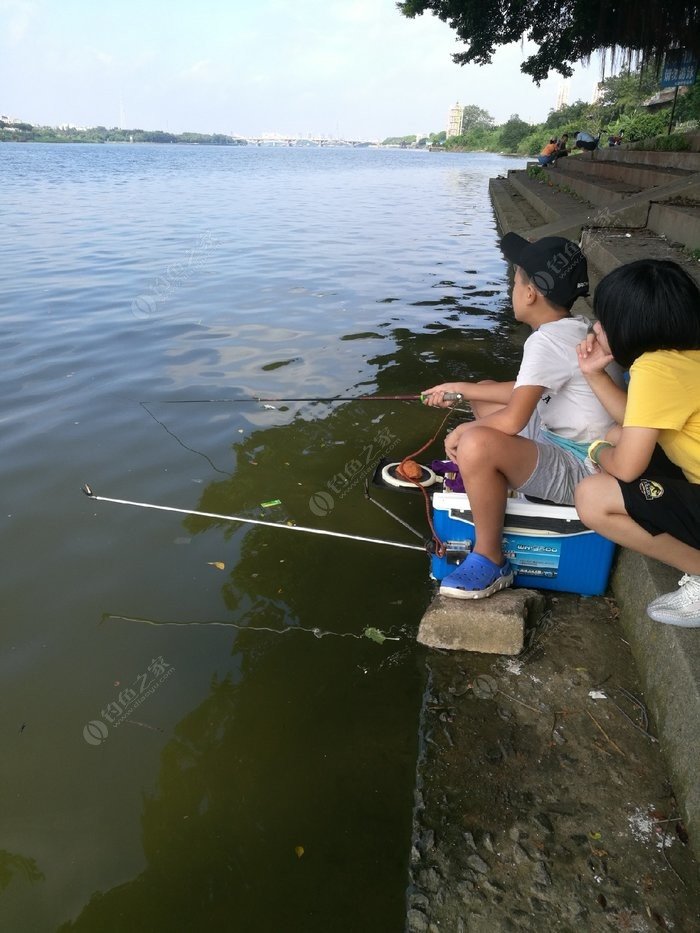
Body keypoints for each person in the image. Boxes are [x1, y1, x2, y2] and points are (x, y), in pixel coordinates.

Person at [422, 233, 623, 599]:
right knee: (483, 395)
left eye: (515, 282)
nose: (512, 290)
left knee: (476, 443)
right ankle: (497, 483)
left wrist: (465, 430)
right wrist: (462, 388)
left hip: (584, 467)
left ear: (529, 293)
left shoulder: (544, 341)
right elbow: (520, 390)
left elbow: (514, 419)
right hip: (569, 442)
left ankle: (490, 557)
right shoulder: (573, 326)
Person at [575, 259, 700, 627]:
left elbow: (627, 465)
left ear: (632, 328)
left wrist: (596, 451)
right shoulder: (681, 359)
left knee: (592, 497)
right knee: (617, 436)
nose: (596, 328)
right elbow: (635, 421)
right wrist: (593, 374)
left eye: (605, 321)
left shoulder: (654, 369)